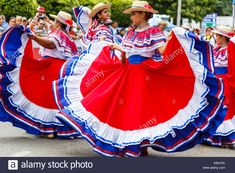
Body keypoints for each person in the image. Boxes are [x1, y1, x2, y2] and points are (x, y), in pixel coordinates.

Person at [53, 0, 225, 157]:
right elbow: (126, 54)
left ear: (143, 14)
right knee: (123, 110)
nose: (132, 17)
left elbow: (164, 52)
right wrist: (118, 49)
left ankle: (138, 145)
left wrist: (175, 37)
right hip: (127, 72)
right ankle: (127, 144)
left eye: (134, 14)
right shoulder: (130, 32)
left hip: (144, 75)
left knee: (140, 112)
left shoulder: (154, 32)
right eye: (132, 14)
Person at [0, 11, 79, 139]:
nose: (53, 23)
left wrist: (34, 37)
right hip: (58, 68)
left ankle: (50, 128)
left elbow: (50, 44)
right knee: (53, 99)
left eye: (55, 21)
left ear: (58, 23)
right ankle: (54, 128)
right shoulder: (67, 36)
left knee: (46, 98)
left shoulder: (58, 33)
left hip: (52, 68)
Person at [205, 26, 235, 148]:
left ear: (223, 38)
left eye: (217, 36)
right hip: (215, 82)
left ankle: (228, 138)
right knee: (214, 108)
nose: (215, 37)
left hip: (225, 82)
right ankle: (215, 136)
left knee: (224, 108)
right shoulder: (215, 49)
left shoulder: (230, 50)